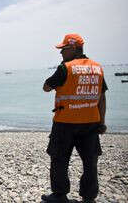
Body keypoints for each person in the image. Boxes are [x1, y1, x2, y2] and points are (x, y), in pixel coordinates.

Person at [41, 34, 108, 203]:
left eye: (63, 49)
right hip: (91, 123)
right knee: (90, 161)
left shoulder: (65, 68)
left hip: (65, 123)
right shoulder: (97, 68)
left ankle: (60, 195)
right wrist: (102, 122)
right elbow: (102, 97)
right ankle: (89, 196)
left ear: (73, 49)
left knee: (59, 159)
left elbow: (46, 87)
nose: (61, 53)